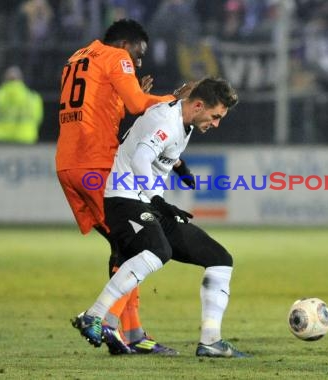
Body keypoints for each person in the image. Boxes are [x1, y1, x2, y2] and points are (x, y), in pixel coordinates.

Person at [71, 77, 249, 358]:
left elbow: (164, 149)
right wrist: (157, 199)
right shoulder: (166, 120)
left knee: (220, 259)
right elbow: (141, 159)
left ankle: (211, 341)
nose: (216, 124)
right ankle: (94, 316)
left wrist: (180, 167)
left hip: (148, 202)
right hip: (125, 199)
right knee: (157, 250)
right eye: (215, 117)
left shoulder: (185, 119)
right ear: (199, 105)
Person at [56, 18, 191, 356]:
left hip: (68, 164)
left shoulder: (77, 58)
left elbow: (102, 108)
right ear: (124, 44)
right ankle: (115, 327)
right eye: (138, 54)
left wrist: (135, 94)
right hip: (97, 164)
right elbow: (134, 105)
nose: (139, 63)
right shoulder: (117, 58)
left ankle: (130, 332)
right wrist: (172, 99)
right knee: (142, 244)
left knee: (125, 245)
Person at [0, 66, 43, 144]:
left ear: (4, 80)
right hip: (25, 138)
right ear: (21, 80)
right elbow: (37, 118)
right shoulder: (33, 98)